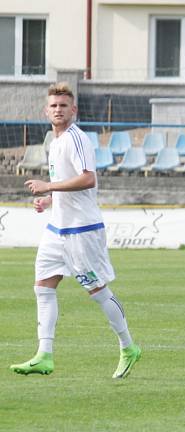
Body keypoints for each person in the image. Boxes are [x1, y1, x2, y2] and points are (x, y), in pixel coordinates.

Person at [10, 83, 141, 379]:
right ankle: (44, 355)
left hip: (83, 231)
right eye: (53, 105)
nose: (58, 109)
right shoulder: (54, 142)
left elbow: (88, 179)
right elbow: (66, 182)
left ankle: (128, 346)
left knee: (96, 291)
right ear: (46, 111)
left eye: (63, 105)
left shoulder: (76, 139)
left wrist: (49, 186)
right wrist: (50, 199)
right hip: (57, 229)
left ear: (74, 110)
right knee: (43, 286)